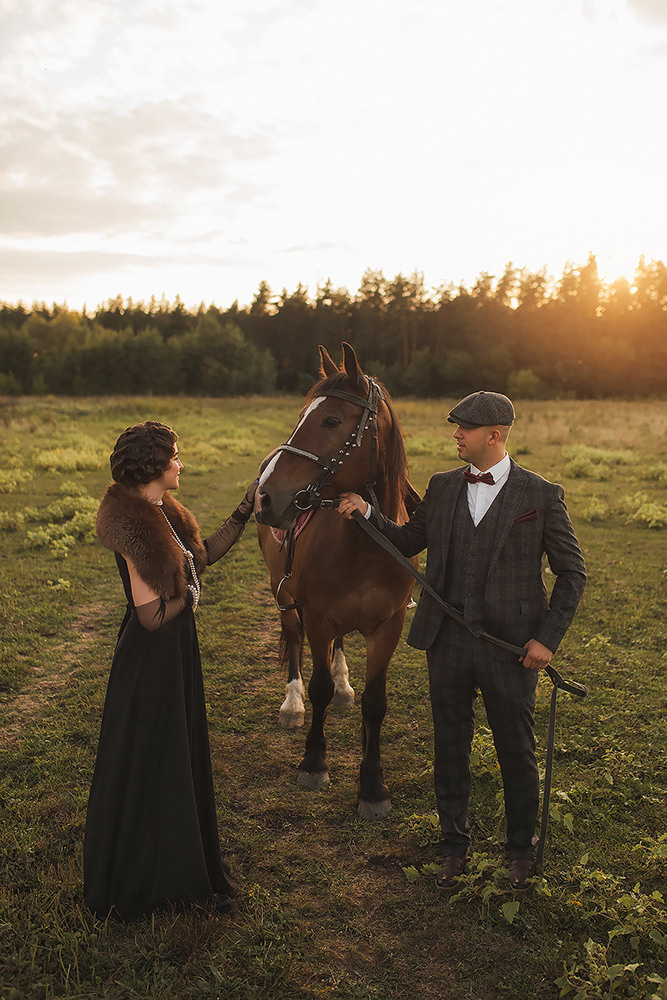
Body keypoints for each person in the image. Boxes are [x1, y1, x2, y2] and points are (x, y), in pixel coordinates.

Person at [337, 391, 586, 891]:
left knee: (516, 749)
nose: (455, 434)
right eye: (456, 426)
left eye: (464, 428)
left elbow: (572, 573)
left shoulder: (541, 494)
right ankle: (454, 845)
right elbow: (410, 542)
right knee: (450, 746)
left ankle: (520, 850)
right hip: (446, 640)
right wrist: (366, 512)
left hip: (511, 649)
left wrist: (546, 639)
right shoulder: (443, 486)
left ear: (494, 436)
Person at [85, 420, 258, 921]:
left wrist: (245, 511)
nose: (182, 463)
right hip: (151, 662)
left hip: (175, 655)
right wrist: (190, 594)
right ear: (156, 466)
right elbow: (152, 616)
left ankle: (178, 858)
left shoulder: (162, 513)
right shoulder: (133, 525)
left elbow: (197, 562)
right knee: (154, 762)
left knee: (174, 756)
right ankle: (150, 875)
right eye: (176, 456)